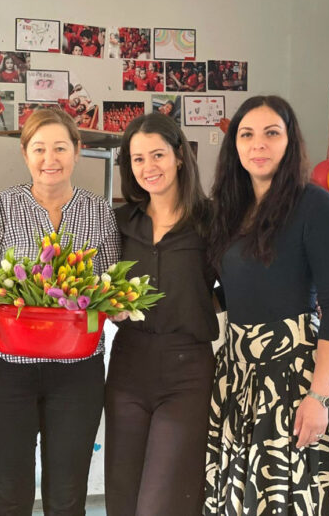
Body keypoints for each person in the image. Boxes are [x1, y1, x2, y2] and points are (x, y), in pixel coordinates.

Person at [204, 95, 329, 514]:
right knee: (243, 499)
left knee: (293, 500)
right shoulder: (229, 209)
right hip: (237, 372)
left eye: (272, 133)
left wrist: (318, 397)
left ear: (290, 142)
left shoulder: (315, 205)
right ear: (235, 145)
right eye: (247, 134)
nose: (259, 144)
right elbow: (233, 290)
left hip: (295, 374)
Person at [0, 108, 120, 515]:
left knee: (67, 497)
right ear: (25, 154)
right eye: (39, 149)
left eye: (60, 148)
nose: (50, 159)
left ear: (78, 151)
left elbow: (110, 284)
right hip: (5, 368)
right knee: (9, 496)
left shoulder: (99, 211)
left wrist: (118, 304)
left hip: (77, 370)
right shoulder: (1, 207)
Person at [105, 113, 218, 515]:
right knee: (122, 497)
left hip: (187, 372)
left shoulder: (212, 220)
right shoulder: (119, 222)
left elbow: (238, 285)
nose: (148, 167)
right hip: (127, 367)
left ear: (180, 156)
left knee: (163, 502)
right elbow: (98, 288)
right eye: (138, 159)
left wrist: (199, 302)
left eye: (157, 155)